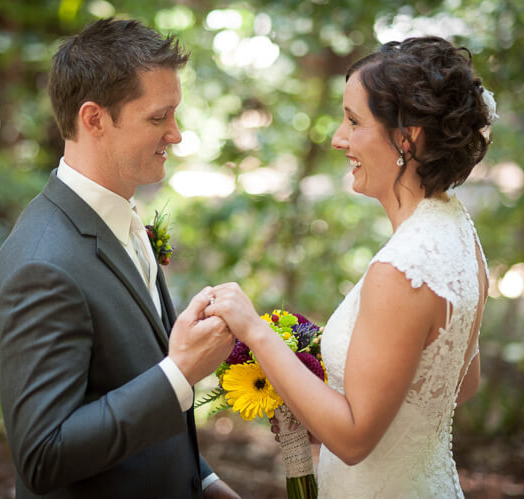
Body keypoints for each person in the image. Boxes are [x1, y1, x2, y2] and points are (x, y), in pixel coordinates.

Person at [207, 36, 496, 498]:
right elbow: (461, 383)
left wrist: (256, 333)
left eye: (354, 121)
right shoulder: (459, 231)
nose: (339, 138)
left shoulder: (401, 270)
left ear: (408, 136)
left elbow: (354, 437)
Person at [0, 18, 239, 498]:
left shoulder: (119, 221)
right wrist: (181, 371)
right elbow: (43, 454)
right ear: (94, 119)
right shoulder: (41, 267)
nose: (177, 134)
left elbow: (126, 386)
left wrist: (200, 480)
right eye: (159, 117)